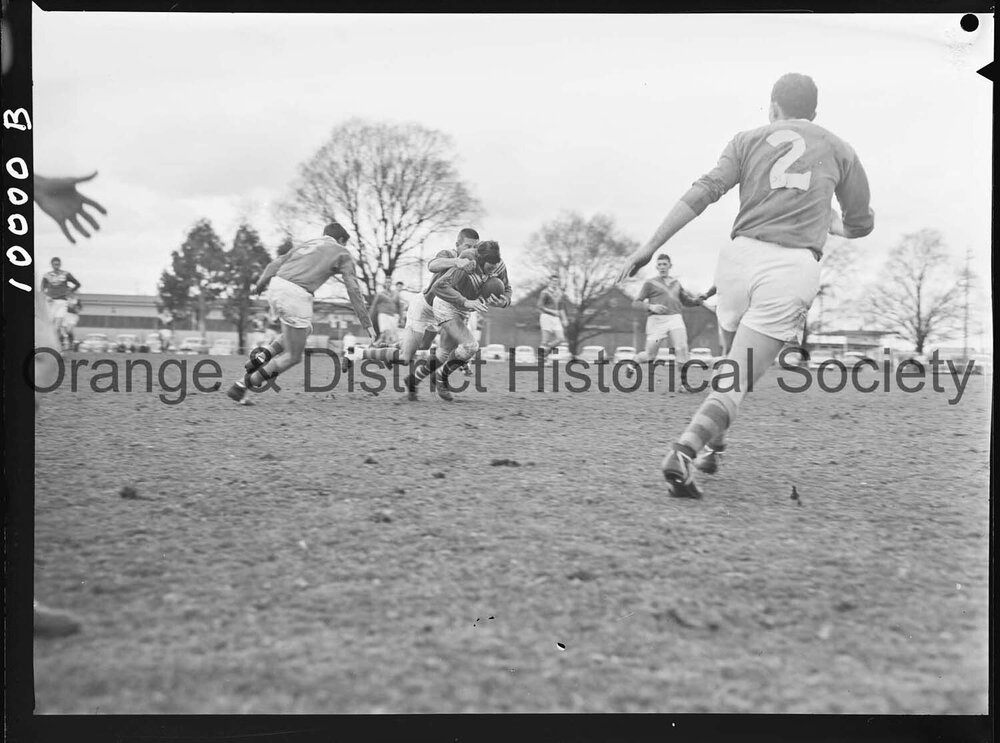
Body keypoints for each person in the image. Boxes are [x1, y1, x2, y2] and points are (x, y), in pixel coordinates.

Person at [617, 72, 874, 499]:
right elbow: (861, 225)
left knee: (729, 368)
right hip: (790, 269)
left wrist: (650, 246)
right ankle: (685, 451)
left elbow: (704, 191)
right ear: (813, 112)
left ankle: (714, 446)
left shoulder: (745, 140)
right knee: (735, 382)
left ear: (773, 108)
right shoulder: (841, 149)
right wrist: (832, 224)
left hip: (736, 261)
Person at [227, 222, 376, 405]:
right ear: (341, 239)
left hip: (276, 286)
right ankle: (242, 386)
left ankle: (264, 355)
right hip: (296, 294)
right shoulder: (342, 252)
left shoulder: (307, 244)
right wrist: (367, 323)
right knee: (293, 357)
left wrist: (260, 284)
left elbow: (276, 263)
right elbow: (353, 289)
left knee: (306, 329)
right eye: (345, 243)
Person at [405, 240, 511, 401]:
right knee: (470, 346)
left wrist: (504, 302)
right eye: (489, 267)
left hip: (464, 309)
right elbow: (438, 287)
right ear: (480, 261)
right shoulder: (468, 264)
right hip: (446, 305)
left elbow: (507, 288)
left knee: (443, 354)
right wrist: (465, 301)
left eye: (495, 267)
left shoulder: (498, 265)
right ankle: (440, 378)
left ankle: (413, 380)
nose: (492, 271)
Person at [625, 253, 708, 382]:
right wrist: (651, 307)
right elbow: (636, 303)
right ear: (656, 267)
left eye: (664, 264)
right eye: (659, 265)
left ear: (670, 266)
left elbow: (686, 301)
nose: (662, 267)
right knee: (650, 355)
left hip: (675, 318)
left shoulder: (676, 283)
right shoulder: (650, 283)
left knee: (682, 348)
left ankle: (683, 383)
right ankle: (634, 362)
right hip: (656, 321)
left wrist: (697, 301)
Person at [40, 257, 81, 340]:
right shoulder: (47, 275)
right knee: (49, 321)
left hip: (62, 302)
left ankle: (53, 341)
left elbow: (77, 284)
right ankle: (45, 339)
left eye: (58, 264)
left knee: (58, 324)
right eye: (55, 264)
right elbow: (42, 289)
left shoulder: (65, 274)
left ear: (60, 264)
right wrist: (46, 296)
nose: (56, 266)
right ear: (51, 265)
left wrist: (70, 291)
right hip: (51, 302)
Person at [537, 275, 568, 355]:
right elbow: (540, 306)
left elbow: (561, 307)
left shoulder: (560, 293)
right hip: (546, 317)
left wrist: (564, 319)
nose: (555, 283)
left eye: (556, 281)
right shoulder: (544, 292)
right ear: (549, 282)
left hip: (556, 318)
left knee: (561, 338)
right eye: (553, 281)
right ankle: (542, 358)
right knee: (545, 340)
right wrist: (552, 311)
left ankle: (548, 349)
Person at [369, 279, 405, 345]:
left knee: (392, 335)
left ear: (391, 284)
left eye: (389, 282)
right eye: (387, 282)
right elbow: (374, 306)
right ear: (384, 284)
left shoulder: (395, 294)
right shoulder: (380, 294)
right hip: (383, 315)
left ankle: (379, 344)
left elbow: (399, 307)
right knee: (385, 332)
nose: (388, 284)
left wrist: (401, 318)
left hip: (392, 316)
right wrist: (370, 317)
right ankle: (376, 344)